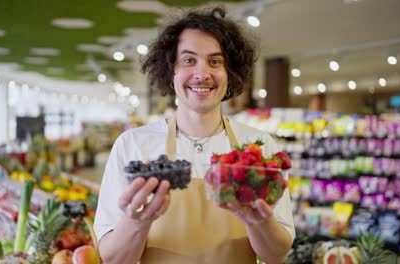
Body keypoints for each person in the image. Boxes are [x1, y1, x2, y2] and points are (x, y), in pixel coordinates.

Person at [94, 7, 295, 264]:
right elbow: (113, 259)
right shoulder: (133, 145)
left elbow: (277, 255)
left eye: (215, 61)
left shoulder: (259, 149)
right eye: (189, 60)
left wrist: (260, 221)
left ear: (230, 72)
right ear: (171, 71)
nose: (202, 74)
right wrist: (137, 221)